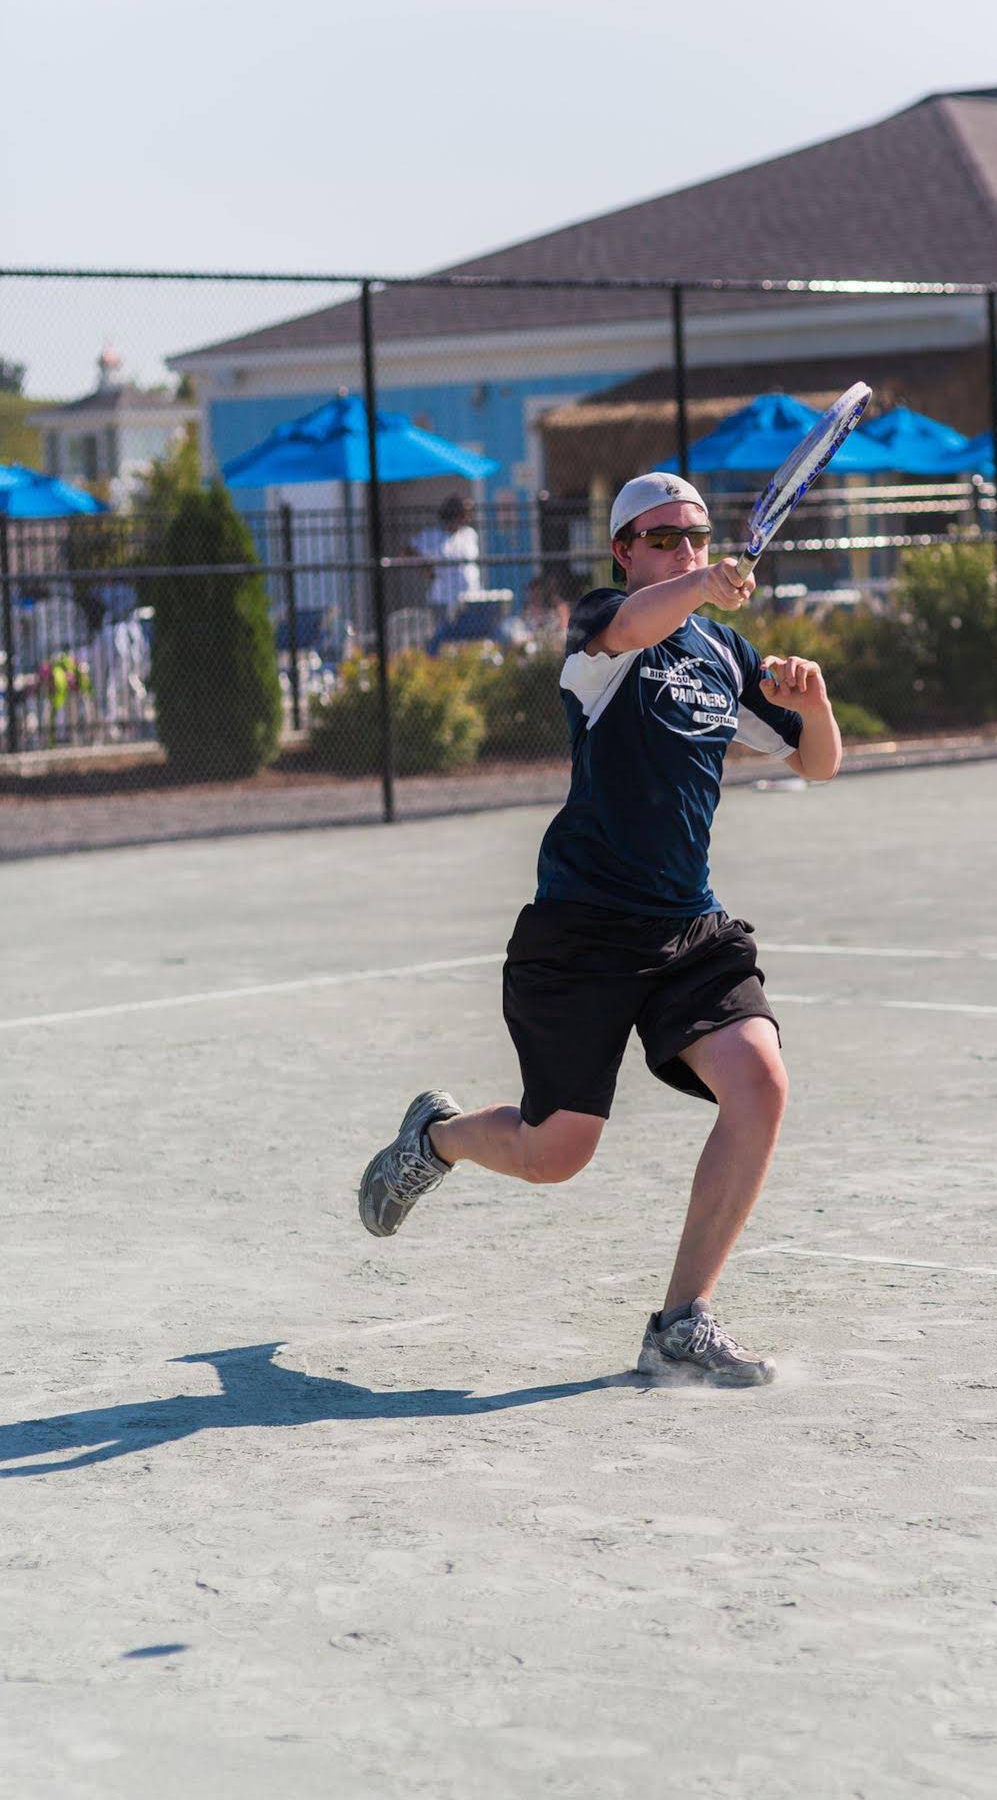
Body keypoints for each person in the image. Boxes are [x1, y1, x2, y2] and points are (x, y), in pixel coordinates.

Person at [359, 471, 843, 1385]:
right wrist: (694, 588)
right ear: (624, 551)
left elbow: (817, 764)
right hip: (581, 931)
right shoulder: (603, 631)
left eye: (695, 536)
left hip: (688, 929)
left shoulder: (725, 654)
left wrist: (812, 701)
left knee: (761, 1083)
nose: (684, 550)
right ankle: (439, 1137)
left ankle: (681, 1321)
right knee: (556, 1154)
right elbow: (635, 623)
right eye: (661, 539)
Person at [412, 494, 481, 652]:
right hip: (443, 600)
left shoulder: (469, 534)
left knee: (466, 640)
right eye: (465, 513)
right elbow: (407, 551)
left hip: (469, 598)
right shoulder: (432, 535)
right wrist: (426, 571)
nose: (468, 517)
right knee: (442, 639)